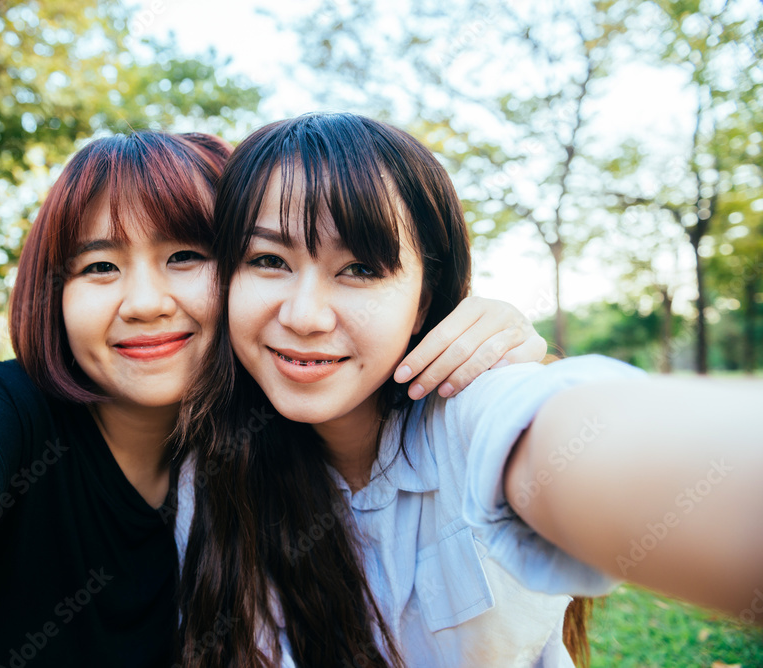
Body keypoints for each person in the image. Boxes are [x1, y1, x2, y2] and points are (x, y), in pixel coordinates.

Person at [0, 130, 544, 668]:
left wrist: (492, 335)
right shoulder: (4, 411)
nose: (143, 301)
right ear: (53, 292)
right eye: (99, 267)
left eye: (185, 255)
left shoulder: (271, 452)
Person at [174, 113, 763, 668]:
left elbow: (576, 435)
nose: (304, 316)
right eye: (269, 260)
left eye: (360, 269)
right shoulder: (210, 474)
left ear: (423, 300)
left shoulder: (468, 411)